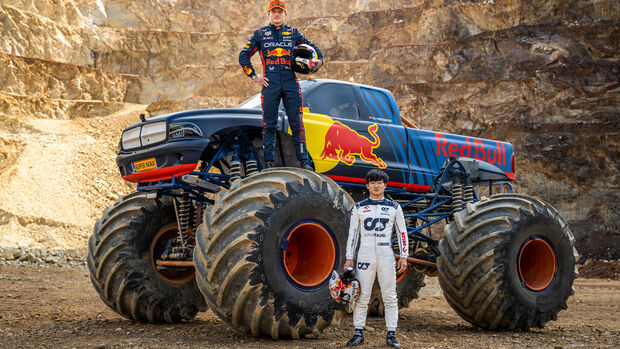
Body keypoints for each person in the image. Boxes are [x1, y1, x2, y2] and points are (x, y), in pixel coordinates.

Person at [238, 0, 323, 170]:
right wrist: (254, 76)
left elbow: (315, 50)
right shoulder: (260, 33)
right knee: (269, 124)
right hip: (270, 82)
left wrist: (319, 61)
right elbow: (243, 55)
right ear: (269, 14)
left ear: (285, 14)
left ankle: (304, 162)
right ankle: (268, 163)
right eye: (273, 12)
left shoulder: (293, 32)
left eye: (280, 11)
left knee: (296, 123)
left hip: (290, 80)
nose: (277, 14)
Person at [344, 169, 408, 348]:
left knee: (390, 296)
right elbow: (353, 234)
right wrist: (349, 258)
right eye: (373, 182)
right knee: (362, 295)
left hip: (386, 255)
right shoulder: (358, 207)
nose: (376, 185)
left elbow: (402, 232)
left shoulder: (395, 207)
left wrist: (404, 256)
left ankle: (392, 334)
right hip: (365, 255)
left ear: (385, 185)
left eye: (380, 182)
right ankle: (358, 332)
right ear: (367, 185)